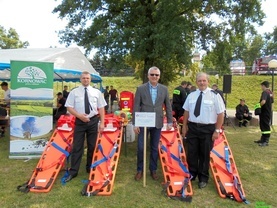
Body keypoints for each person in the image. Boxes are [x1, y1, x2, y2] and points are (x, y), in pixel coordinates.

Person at [182, 72, 225, 189]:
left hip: (208, 129)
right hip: (193, 127)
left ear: (208, 81)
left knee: (204, 154)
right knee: (192, 152)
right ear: (196, 82)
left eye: (204, 80)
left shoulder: (215, 95)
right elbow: (186, 111)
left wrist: (217, 130)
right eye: (199, 81)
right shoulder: (191, 95)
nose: (202, 83)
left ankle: (203, 178)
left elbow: (221, 114)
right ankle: (192, 174)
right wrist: (184, 126)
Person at [64, 71, 106, 182]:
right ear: (80, 79)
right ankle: (73, 171)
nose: (85, 80)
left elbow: (101, 108)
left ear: (90, 79)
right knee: (77, 146)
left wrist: (102, 123)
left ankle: (90, 168)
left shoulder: (97, 92)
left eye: (87, 78)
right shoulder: (74, 92)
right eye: (83, 78)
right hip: (80, 121)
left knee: (92, 146)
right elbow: (69, 107)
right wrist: (79, 116)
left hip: (93, 121)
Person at [133, 66, 173, 181]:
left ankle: (153, 169)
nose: (154, 76)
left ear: (159, 76)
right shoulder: (140, 88)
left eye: (156, 75)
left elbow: (168, 106)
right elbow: (136, 106)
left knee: (155, 147)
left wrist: (170, 121)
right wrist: (135, 123)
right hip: (143, 122)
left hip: (157, 122)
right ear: (148, 76)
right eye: (152, 74)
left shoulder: (164, 89)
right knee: (141, 147)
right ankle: (140, 170)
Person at [254, 81, 273, 147]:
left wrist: (258, 106)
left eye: (261, 86)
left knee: (265, 126)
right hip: (268, 111)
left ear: (263, 86)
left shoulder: (265, 92)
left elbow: (263, 101)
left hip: (264, 112)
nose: (261, 87)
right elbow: (272, 102)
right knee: (263, 125)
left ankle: (266, 141)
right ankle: (262, 139)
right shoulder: (270, 92)